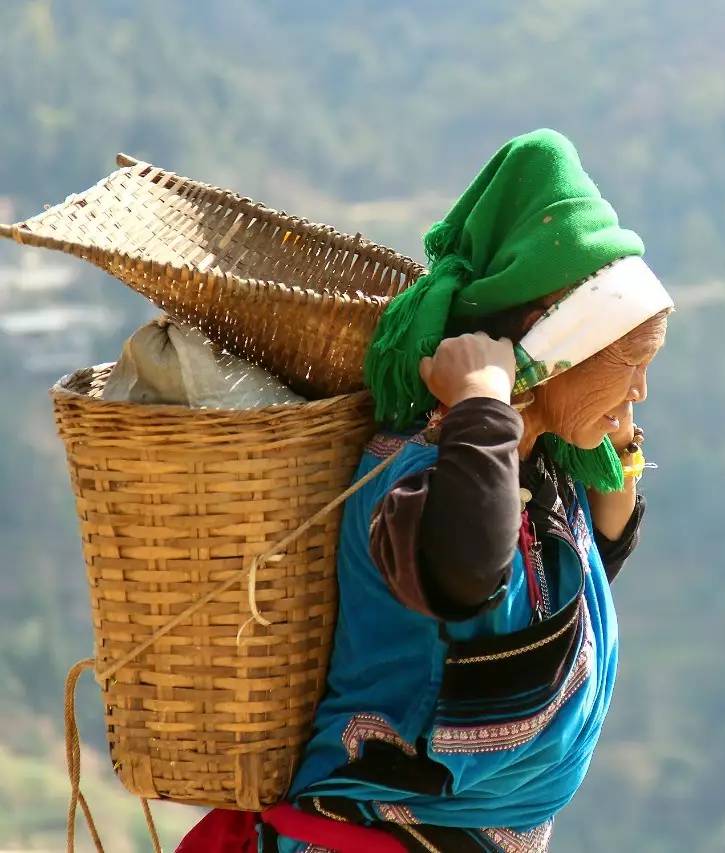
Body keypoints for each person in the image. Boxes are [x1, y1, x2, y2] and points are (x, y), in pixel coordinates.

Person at [178, 129, 672, 852]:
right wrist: (482, 399)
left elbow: (581, 573)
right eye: (629, 359)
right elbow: (467, 570)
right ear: (553, 341)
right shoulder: (415, 476)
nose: (643, 388)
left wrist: (614, 443)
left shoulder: (536, 468)